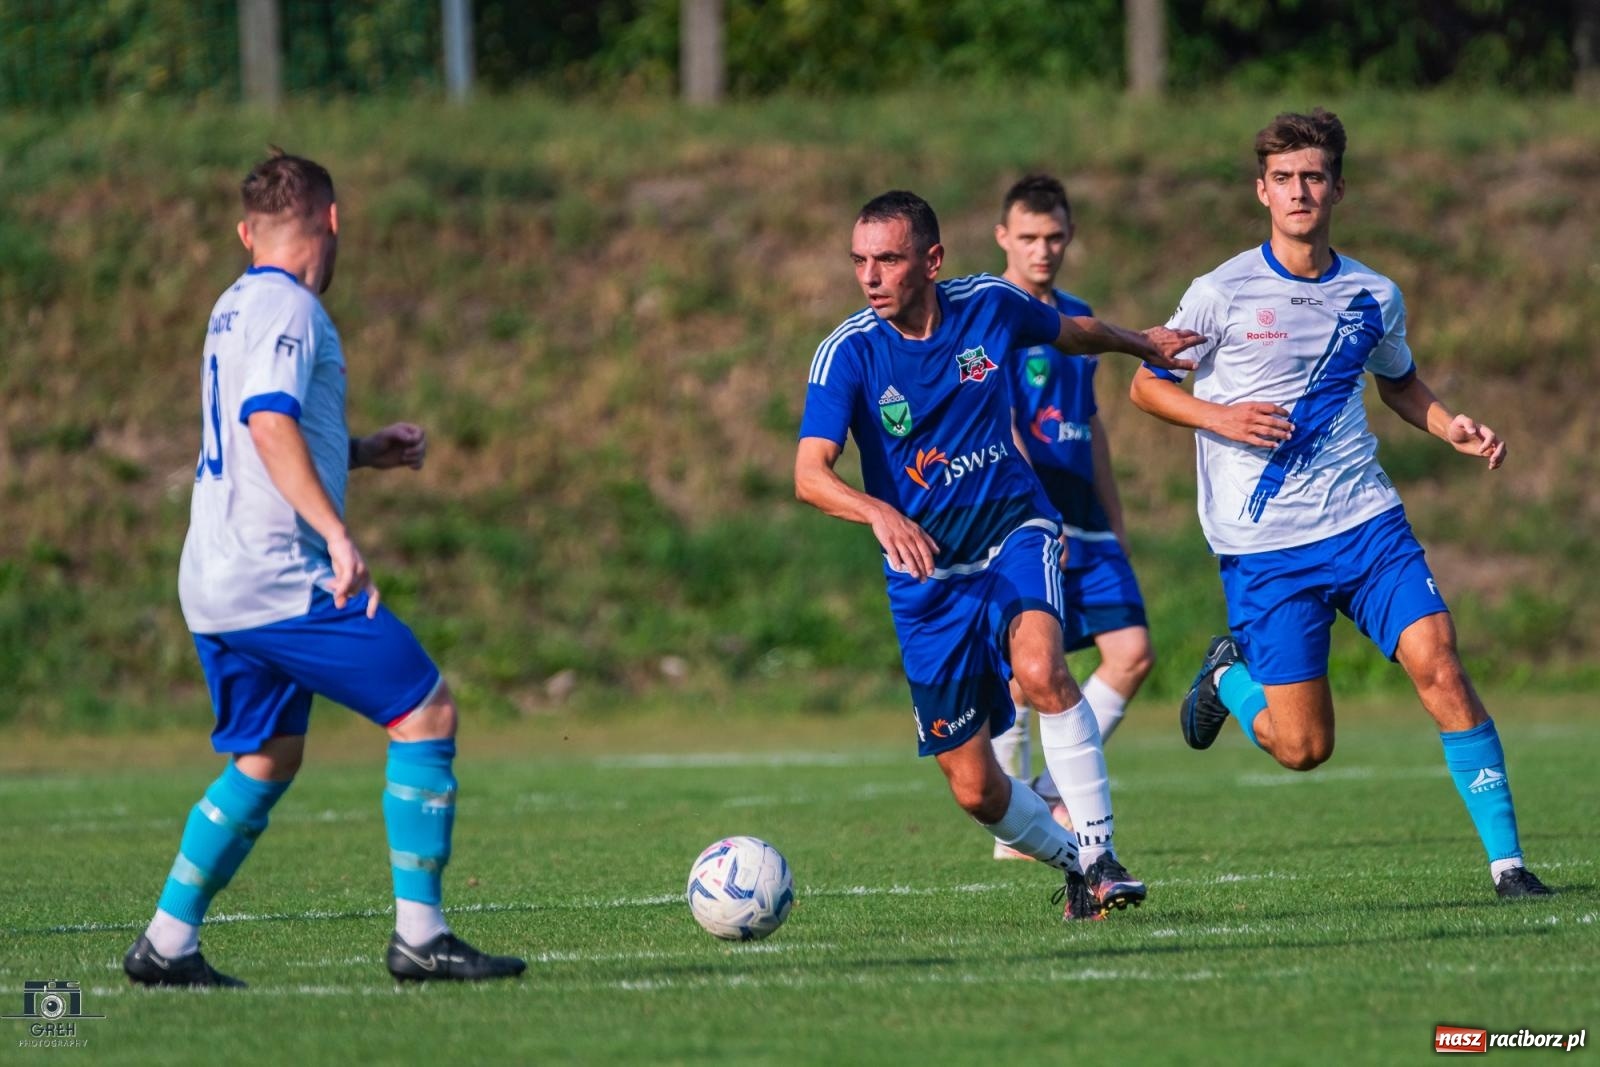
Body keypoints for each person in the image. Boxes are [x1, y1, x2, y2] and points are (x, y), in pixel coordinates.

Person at [124, 150, 529, 988]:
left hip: (213, 577)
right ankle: (421, 935)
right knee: (425, 710)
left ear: (246, 232)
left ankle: (166, 942)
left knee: (268, 755)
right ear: (333, 220)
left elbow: (263, 432)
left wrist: (365, 451)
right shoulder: (292, 306)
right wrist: (337, 534)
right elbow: (269, 422)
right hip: (276, 576)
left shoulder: (233, 303)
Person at [1128, 110, 1551, 899]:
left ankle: (1509, 866)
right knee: (1303, 747)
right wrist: (1221, 417)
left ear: (1337, 189)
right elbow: (1145, 384)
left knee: (1439, 658)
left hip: (1364, 522)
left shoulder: (1372, 293)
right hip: (1266, 547)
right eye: (1283, 178)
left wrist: (1448, 424)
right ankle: (1229, 679)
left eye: (1313, 177)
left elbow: (1396, 380)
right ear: (1262, 190)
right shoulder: (1218, 293)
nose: (1299, 191)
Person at [795, 190, 1202, 918]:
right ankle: (1076, 864)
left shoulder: (987, 303)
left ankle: (1103, 852)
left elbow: (1068, 331)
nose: (870, 275)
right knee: (975, 787)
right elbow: (809, 474)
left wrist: (1137, 342)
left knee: (1043, 669)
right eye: (860, 260)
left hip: (1014, 528)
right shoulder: (848, 352)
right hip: (927, 582)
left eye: (888, 258)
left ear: (932, 259)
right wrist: (877, 510)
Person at [986, 176, 1155, 859]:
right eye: (1028, 237)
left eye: (1054, 236)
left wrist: (1114, 520)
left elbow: (1092, 426)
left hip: (1086, 519)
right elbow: (1001, 423)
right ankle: (1015, 824)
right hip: (1027, 518)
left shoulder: (1079, 316)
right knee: (1025, 675)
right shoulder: (991, 315)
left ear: (1070, 236)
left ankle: (1047, 794)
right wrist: (1039, 512)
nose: (1042, 249)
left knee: (1133, 652)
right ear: (1003, 237)